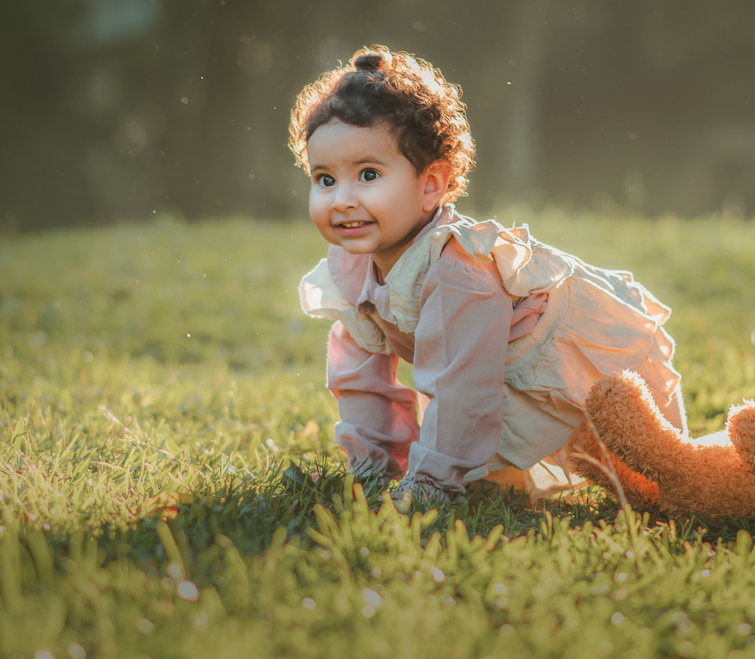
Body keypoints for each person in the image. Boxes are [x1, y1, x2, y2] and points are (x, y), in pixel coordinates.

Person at [290, 46, 687, 504]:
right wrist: (370, 469)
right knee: (490, 488)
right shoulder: (351, 268)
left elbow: (462, 392)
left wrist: (430, 483)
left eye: (368, 174)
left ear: (430, 185)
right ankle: (471, 473)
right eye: (324, 179)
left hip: (583, 382)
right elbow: (361, 378)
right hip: (497, 386)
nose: (341, 199)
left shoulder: (460, 270)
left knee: (659, 486)